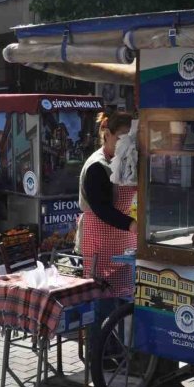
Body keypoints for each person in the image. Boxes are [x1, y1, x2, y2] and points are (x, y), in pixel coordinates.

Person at [76, 111, 137, 306]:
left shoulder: (127, 161)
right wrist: (131, 224)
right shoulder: (97, 166)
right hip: (100, 238)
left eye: (130, 139)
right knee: (102, 299)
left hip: (124, 238)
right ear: (108, 134)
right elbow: (101, 207)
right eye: (121, 138)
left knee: (125, 294)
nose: (125, 144)